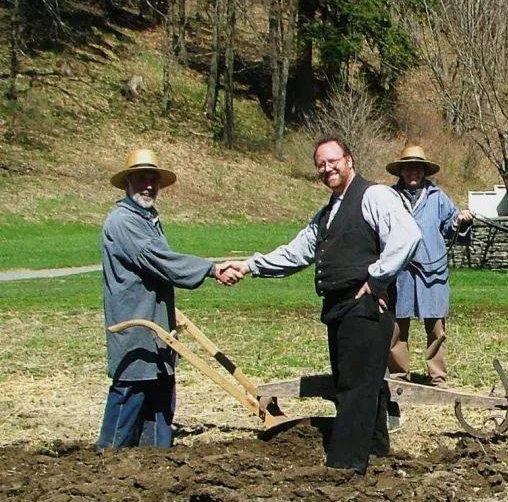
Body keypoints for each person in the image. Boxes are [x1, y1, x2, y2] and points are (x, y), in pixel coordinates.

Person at [219, 137, 421, 474]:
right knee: (361, 383)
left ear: (349, 160)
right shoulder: (328, 212)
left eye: (333, 161)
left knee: (354, 389)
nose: (327, 169)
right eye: (320, 165)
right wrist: (249, 265)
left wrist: (376, 279)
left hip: (365, 308)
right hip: (339, 308)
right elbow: (296, 252)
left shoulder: (374, 195)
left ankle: (344, 466)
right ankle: (376, 452)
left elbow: (408, 235)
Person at [98, 149, 236, 451]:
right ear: (127, 183)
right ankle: (107, 461)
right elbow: (160, 260)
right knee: (131, 387)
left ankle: (158, 459)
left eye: (153, 179)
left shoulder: (148, 219)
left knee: (160, 387)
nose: (148, 185)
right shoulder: (123, 221)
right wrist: (211, 269)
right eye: (141, 178)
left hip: (157, 322)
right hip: (134, 321)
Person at [386, 145, 474, 387]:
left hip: (432, 272)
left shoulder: (438, 197)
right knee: (396, 328)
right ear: (401, 172)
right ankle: (398, 377)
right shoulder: (390, 198)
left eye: (417, 169)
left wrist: (460, 220)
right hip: (399, 272)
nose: (412, 173)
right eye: (408, 169)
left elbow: (451, 227)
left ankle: (437, 377)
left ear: (424, 171)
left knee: (436, 329)